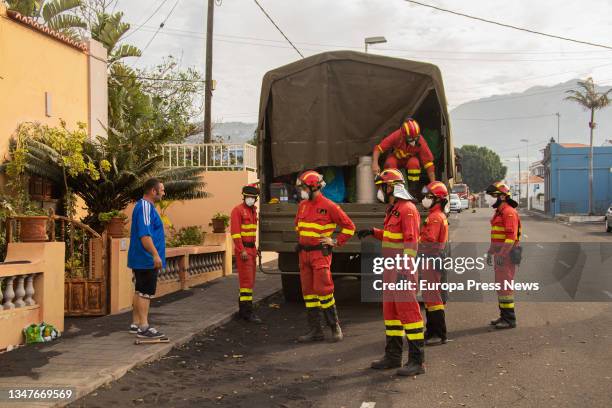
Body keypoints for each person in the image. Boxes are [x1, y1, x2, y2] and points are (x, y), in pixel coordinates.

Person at [357, 168, 425, 376]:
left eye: (383, 186)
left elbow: (410, 242)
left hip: (402, 271)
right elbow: (392, 236)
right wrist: (374, 232)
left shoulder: (408, 209)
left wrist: (405, 271)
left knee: (409, 314)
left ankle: (417, 361)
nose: (381, 191)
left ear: (393, 187)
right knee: (392, 314)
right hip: (390, 271)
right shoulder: (393, 209)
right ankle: (393, 356)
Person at [294, 170, 356, 342]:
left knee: (324, 291)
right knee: (308, 293)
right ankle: (315, 331)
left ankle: (334, 327)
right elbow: (298, 227)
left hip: (319, 254)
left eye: (304, 187)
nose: (302, 191)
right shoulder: (303, 205)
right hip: (303, 254)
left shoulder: (330, 206)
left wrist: (335, 241)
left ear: (313, 187)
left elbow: (350, 227)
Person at [127, 178, 166, 339]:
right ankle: (144, 327)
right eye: (161, 190)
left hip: (143, 258)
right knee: (145, 292)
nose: (164, 192)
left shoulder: (146, 207)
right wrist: (155, 255)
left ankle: (136, 324)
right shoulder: (144, 207)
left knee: (139, 290)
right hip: (146, 258)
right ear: (153, 191)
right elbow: (145, 235)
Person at [485, 182, 521, 329]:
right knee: (501, 286)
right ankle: (503, 316)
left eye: (492, 196)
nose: (489, 199)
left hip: (506, 256)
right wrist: (490, 252)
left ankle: (509, 319)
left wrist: (501, 254)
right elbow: (497, 237)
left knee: (505, 287)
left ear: (502, 196)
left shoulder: (509, 212)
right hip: (500, 255)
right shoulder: (499, 212)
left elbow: (510, 238)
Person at [420, 181, 449, 345]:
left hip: (432, 259)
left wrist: (415, 240)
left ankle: (438, 334)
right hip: (430, 260)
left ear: (438, 199)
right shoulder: (435, 215)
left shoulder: (435, 218)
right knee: (429, 298)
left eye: (429, 196)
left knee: (434, 298)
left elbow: (430, 239)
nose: (425, 199)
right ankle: (431, 331)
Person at [371, 117, 436, 186]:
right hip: (396, 158)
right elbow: (378, 148)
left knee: (414, 163)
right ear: (403, 135)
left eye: (416, 138)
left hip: (410, 160)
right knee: (390, 162)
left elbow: (429, 164)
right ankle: (392, 188)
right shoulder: (396, 135)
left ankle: (413, 189)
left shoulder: (421, 141)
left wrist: (433, 184)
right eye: (410, 138)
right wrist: (375, 163)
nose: (413, 141)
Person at [230, 183, 261, 323]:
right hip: (244, 251)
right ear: (244, 197)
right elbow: (235, 233)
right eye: (248, 197)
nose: (251, 199)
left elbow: (253, 233)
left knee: (249, 282)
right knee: (246, 283)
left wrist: (256, 249)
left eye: (253, 197)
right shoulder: (237, 210)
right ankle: (247, 313)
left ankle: (243, 311)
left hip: (252, 250)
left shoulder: (253, 211)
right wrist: (241, 250)